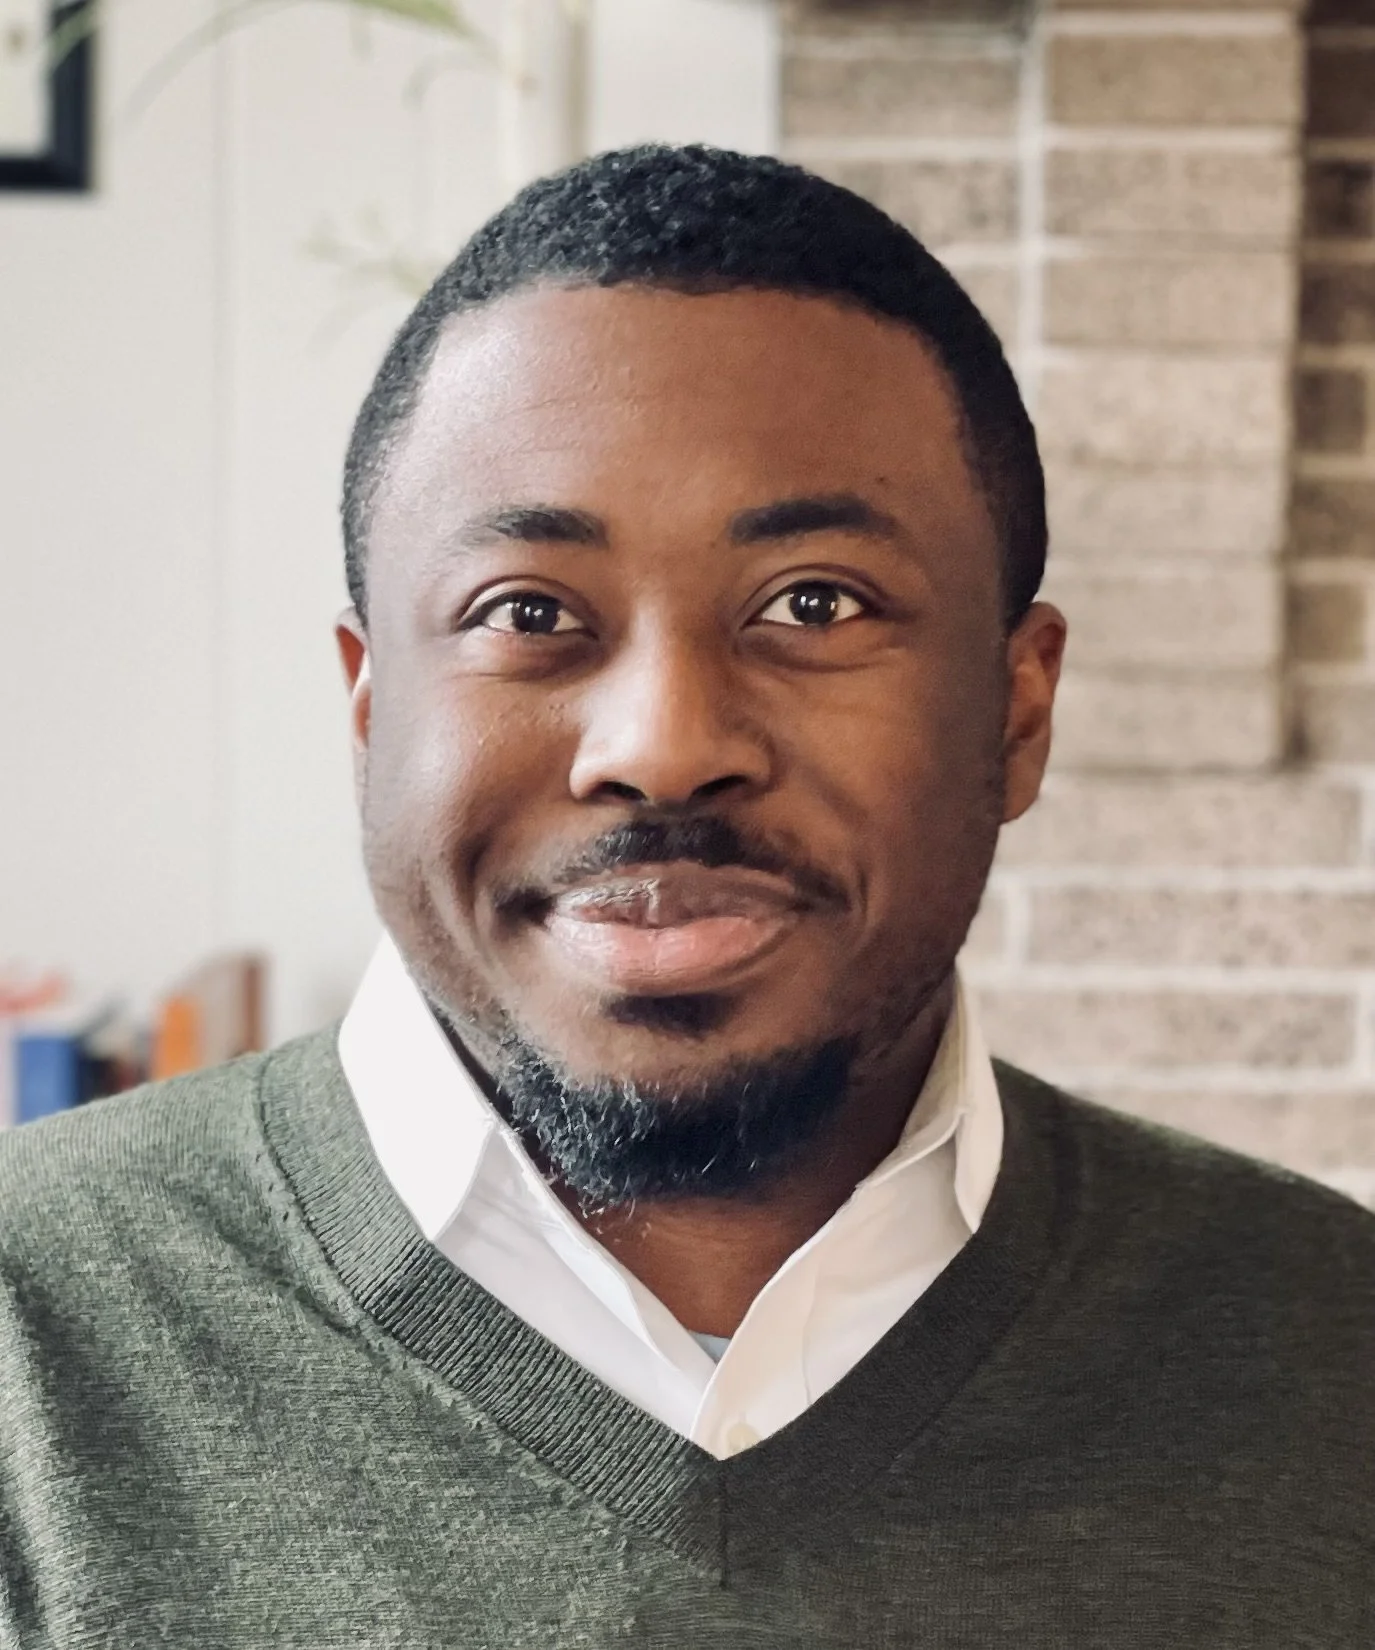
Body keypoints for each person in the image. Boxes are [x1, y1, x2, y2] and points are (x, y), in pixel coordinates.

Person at [2, 145, 1371, 1648]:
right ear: (367, 708)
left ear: (1014, 709)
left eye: (815, 604)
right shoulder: (28, 1347)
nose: (662, 742)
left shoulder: (1336, 1353)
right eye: (527, 613)